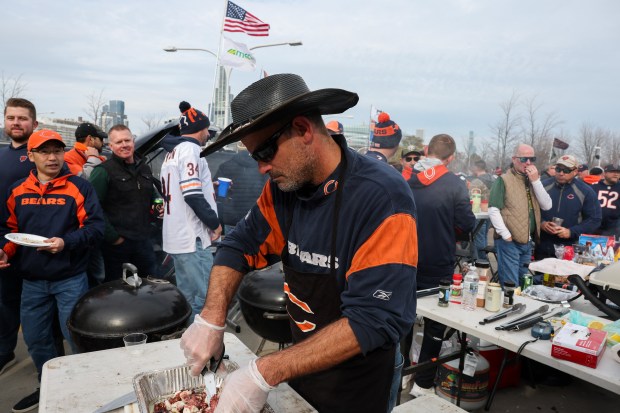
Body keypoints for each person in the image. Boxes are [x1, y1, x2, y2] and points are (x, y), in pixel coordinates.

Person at [180, 74, 418, 413]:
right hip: (302, 365)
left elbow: (373, 318)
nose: (262, 167)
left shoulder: (382, 198)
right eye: (254, 157)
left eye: (264, 151)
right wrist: (212, 319)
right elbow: (239, 246)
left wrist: (264, 370)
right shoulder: (283, 191)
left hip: (359, 381)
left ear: (304, 129)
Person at [0, 129, 104, 412]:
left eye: (57, 150)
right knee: (36, 338)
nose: (52, 157)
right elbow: (9, 232)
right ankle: (49, 385)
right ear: (30, 156)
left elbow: (96, 229)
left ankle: (85, 388)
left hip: (70, 279)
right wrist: (4, 250)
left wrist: (65, 243)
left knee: (76, 336)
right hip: (32, 282)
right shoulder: (18, 190)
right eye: (44, 152)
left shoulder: (79, 188)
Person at [406, 134, 475, 397]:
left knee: (403, 317)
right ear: (452, 157)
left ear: (425, 151)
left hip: (406, 258)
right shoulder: (454, 183)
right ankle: (422, 384)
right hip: (437, 261)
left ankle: (401, 373)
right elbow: (467, 224)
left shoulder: (407, 178)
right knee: (435, 323)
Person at [160, 102, 222, 318]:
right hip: (191, 237)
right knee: (207, 299)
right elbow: (192, 195)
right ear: (201, 128)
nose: (208, 134)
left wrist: (208, 187)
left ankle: (187, 343)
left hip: (177, 236)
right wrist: (215, 223)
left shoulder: (173, 152)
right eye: (207, 129)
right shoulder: (190, 150)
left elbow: (183, 189)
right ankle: (203, 349)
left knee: (187, 298)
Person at [89, 125, 158, 281]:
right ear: (110, 146)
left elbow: (152, 196)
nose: (124, 145)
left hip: (144, 243)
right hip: (117, 246)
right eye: (119, 142)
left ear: (133, 141)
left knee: (149, 288)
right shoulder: (103, 171)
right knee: (119, 292)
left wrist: (157, 206)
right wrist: (113, 238)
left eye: (127, 140)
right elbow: (93, 208)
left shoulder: (144, 169)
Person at [0, 98, 38, 379]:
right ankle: (5, 351)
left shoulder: (43, 154)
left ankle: (46, 364)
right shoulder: (1, 155)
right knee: (6, 301)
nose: (16, 123)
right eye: (11, 117)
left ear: (34, 124)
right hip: (5, 243)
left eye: (22, 118)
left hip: (37, 245)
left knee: (38, 307)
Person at [488, 144, 552, 287]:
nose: (528, 163)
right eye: (524, 159)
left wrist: (536, 181)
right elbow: (493, 209)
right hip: (510, 241)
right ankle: (509, 307)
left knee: (525, 283)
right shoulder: (504, 179)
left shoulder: (532, 180)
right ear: (515, 159)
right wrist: (505, 234)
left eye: (531, 159)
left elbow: (547, 205)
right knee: (511, 284)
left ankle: (521, 307)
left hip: (527, 241)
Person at [537, 155, 601, 259]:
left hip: (570, 248)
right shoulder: (542, 186)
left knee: (565, 276)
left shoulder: (586, 191)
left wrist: (571, 232)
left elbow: (594, 219)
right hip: (543, 244)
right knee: (541, 275)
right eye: (558, 169)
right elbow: (530, 211)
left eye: (566, 170)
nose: (561, 173)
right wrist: (541, 223)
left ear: (575, 171)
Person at [213, 145, 268, 235]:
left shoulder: (226, 166)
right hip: (256, 218)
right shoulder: (262, 168)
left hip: (232, 219)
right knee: (255, 248)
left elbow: (219, 194)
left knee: (233, 247)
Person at [469, 160, 494, 260]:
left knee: (478, 240)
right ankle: (484, 263)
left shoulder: (476, 181)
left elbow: (471, 197)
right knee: (483, 239)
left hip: (479, 213)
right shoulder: (494, 179)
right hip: (491, 213)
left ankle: (481, 264)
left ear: (476, 168)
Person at [592, 164, 620, 237]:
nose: (616, 174)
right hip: (594, 225)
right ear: (604, 173)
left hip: (613, 227)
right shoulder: (594, 186)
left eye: (618, 172)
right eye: (612, 171)